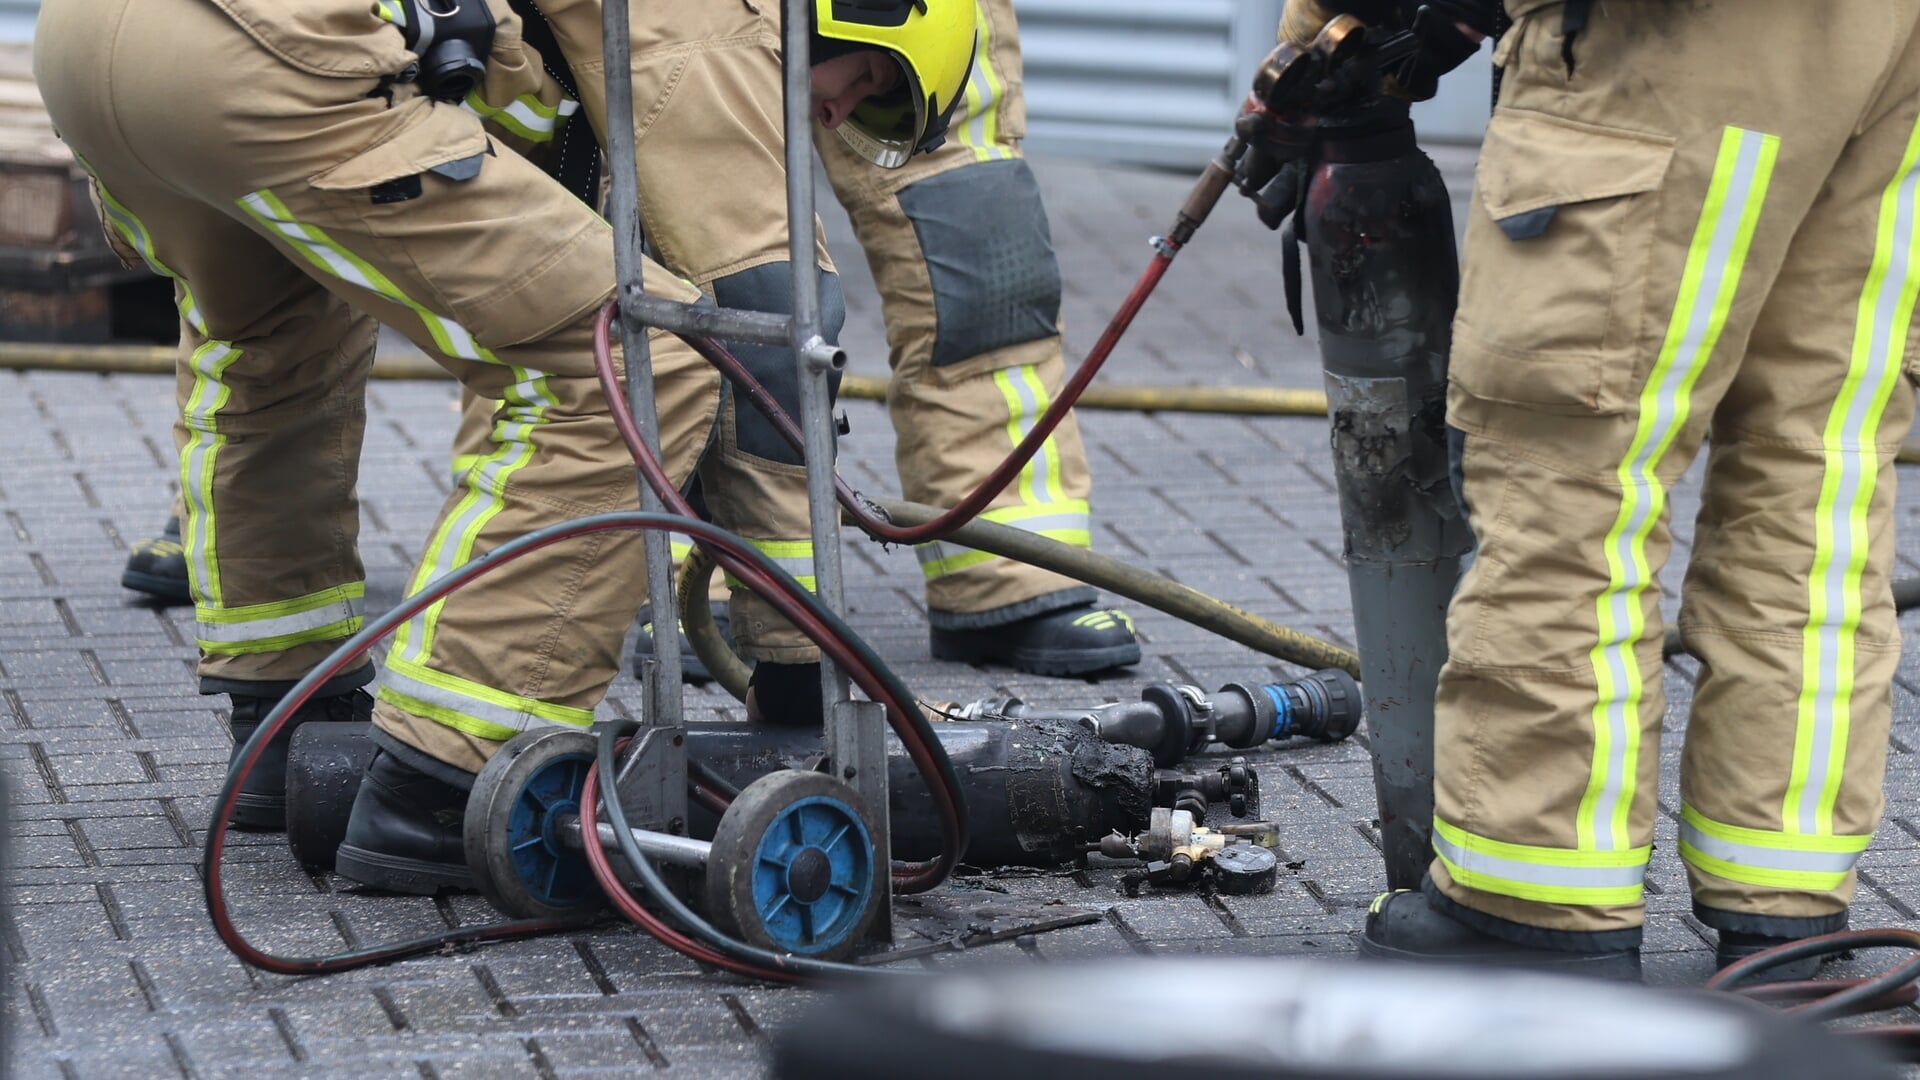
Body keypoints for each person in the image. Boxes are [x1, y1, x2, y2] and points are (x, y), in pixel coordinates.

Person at [36, 0, 973, 894]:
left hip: (96, 51)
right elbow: (760, 308)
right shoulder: (727, 25)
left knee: (269, 352)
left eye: (868, 114)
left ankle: (284, 728)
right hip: (274, 64)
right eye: (871, 82)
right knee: (636, 366)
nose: (839, 111)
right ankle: (441, 784)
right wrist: (801, 661)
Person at [1256, 0, 1914, 980]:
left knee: (1572, 466)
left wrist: (1321, 32)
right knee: (1813, 472)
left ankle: (1534, 902)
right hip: (1889, 50)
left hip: (1675, 45)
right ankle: (1785, 911)